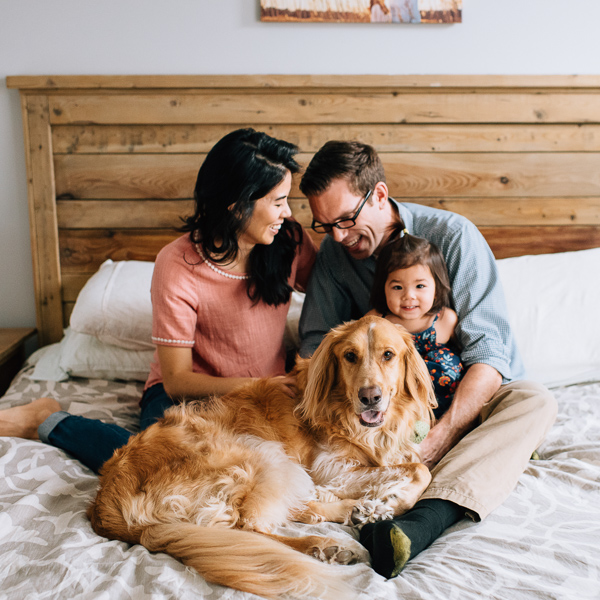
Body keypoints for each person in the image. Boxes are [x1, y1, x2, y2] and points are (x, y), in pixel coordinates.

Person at [297, 140, 557, 578]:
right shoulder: (335, 255)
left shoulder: (454, 236)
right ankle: (422, 490)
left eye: (345, 220)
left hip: (464, 395)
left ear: (378, 194)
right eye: (325, 226)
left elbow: (489, 354)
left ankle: (421, 521)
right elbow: (314, 346)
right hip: (385, 412)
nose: (339, 236)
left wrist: (444, 432)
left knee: (535, 401)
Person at [0, 128, 316, 474]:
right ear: (237, 204)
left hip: (266, 396)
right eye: (278, 200)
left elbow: (334, 288)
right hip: (187, 398)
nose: (287, 212)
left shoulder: (289, 241)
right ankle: (48, 420)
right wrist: (260, 384)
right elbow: (177, 380)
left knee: (281, 463)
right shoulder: (178, 263)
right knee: (166, 465)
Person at [368, 224, 463, 418]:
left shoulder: (446, 320)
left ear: (436, 286)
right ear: (383, 287)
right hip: (399, 418)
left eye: (420, 286)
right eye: (397, 287)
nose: (409, 296)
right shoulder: (377, 322)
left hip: (449, 416)